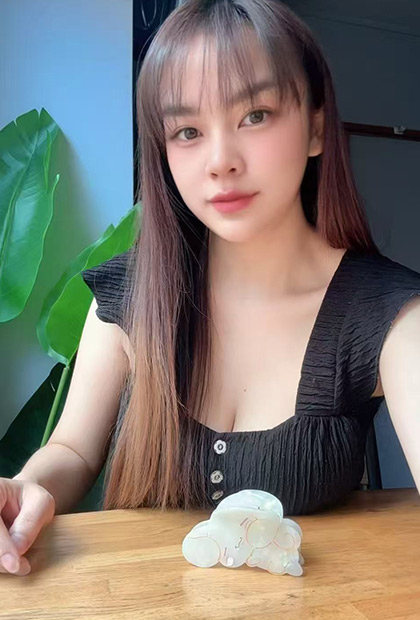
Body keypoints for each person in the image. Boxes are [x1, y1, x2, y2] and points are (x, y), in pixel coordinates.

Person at [2, 0, 420, 577]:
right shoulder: (127, 297)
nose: (220, 161)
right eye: (188, 131)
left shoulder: (392, 316)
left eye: (255, 115)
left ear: (316, 128)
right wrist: (26, 489)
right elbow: (71, 451)